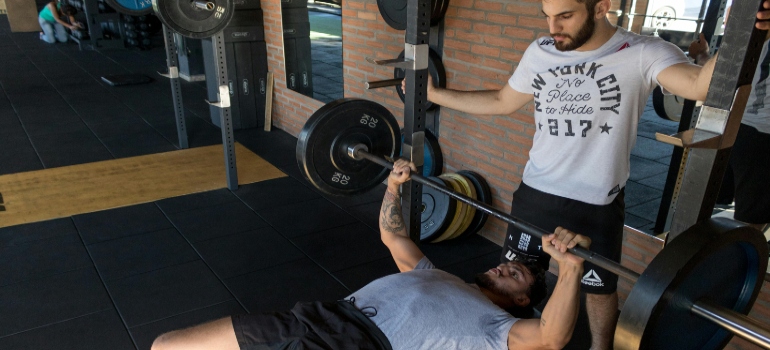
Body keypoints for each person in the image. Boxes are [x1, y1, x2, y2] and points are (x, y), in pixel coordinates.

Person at [408, 0, 770, 348]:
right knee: (512, 278)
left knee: (599, 288)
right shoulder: (540, 51)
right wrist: (435, 94)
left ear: (601, 7)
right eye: (547, 15)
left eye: (565, 16)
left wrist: (743, 33)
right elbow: (502, 101)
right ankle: (510, 339)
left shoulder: (642, 52)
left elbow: (699, 84)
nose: (553, 28)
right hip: (535, 192)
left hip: (596, 203)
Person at [150, 159, 592, 350]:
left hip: (359, 345)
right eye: (506, 264)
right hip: (316, 317)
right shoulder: (435, 274)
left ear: (522, 300)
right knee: (166, 345)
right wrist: (394, 186)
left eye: (514, 275)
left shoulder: (501, 330)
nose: (502, 267)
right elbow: (392, 236)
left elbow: (551, 338)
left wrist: (569, 268)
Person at [688, 14, 770, 235]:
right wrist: (703, 55)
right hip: (750, 132)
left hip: (746, 129)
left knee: (748, 217)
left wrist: (702, 55)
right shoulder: (749, 35)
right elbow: (718, 79)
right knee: (750, 218)